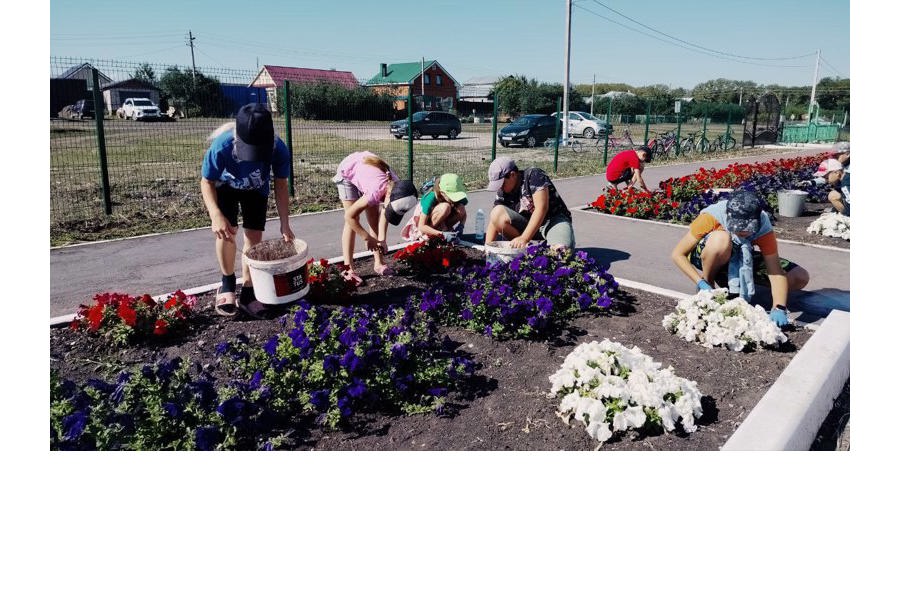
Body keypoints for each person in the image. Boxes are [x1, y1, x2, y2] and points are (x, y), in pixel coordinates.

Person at [201, 103, 294, 319]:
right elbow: (206, 182)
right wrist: (215, 214)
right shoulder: (221, 146)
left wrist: (285, 223)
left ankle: (249, 290)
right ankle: (227, 284)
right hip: (225, 188)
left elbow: (281, 184)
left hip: (256, 190)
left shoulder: (278, 148)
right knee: (227, 231)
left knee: (254, 237)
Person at [670, 189, 810, 328]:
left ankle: (739, 282)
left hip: (743, 255)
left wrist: (779, 307)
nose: (744, 232)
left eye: (749, 228)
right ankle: (710, 283)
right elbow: (678, 254)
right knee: (721, 239)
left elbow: (775, 271)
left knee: (799, 276)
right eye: (738, 228)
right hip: (709, 253)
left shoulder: (763, 226)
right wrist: (700, 282)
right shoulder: (712, 216)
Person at [332, 151, 401, 285]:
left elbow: (385, 215)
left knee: (374, 218)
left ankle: (379, 263)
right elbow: (349, 217)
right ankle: (349, 270)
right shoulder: (377, 191)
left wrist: (382, 240)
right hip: (348, 170)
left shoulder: (396, 186)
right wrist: (367, 237)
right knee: (353, 220)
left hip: (367, 173)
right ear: (387, 196)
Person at [484, 156, 575, 250]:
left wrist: (524, 238)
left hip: (553, 221)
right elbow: (494, 220)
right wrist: (488, 248)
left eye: (501, 184)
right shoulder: (503, 191)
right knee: (496, 212)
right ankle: (523, 249)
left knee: (561, 251)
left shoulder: (534, 175)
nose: (500, 188)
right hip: (528, 224)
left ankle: (551, 244)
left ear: (512, 175)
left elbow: (541, 208)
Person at [399, 173, 468, 241]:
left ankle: (446, 231)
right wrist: (441, 234)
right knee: (445, 207)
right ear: (442, 192)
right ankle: (430, 233)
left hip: (442, 220)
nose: (454, 199)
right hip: (425, 224)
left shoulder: (458, 194)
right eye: (452, 197)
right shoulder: (430, 197)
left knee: (460, 207)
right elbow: (421, 226)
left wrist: (461, 226)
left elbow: (463, 212)